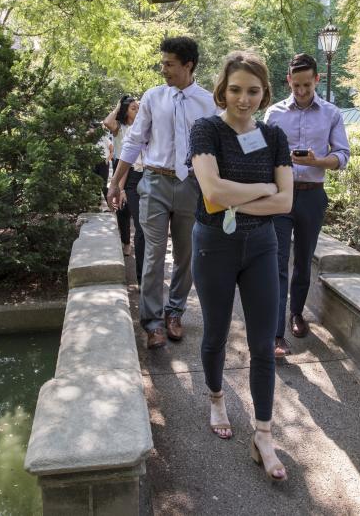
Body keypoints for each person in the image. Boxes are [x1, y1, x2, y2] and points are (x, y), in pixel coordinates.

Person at [189, 50, 293, 481]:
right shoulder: (206, 130)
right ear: (222, 90)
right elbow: (212, 194)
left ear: (264, 93)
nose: (243, 99)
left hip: (262, 246)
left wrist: (243, 192)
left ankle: (263, 436)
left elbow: (286, 201)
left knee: (263, 343)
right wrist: (264, 185)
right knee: (214, 333)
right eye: (235, 90)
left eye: (252, 91)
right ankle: (216, 398)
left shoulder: (274, 137)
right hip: (215, 243)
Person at [107, 37, 218, 349]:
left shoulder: (208, 102)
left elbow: (216, 148)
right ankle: (153, 323)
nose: (163, 69)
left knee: (186, 254)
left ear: (188, 65)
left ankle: (175, 312)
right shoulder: (154, 97)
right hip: (155, 180)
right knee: (154, 254)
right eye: (163, 63)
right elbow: (133, 141)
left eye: (169, 63)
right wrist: (116, 182)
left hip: (192, 185)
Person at [263, 53, 350, 358]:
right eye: (295, 85)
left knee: (303, 261)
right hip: (281, 194)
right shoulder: (273, 114)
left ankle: (296, 313)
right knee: (276, 262)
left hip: (313, 194)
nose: (300, 91)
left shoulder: (332, 113)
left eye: (306, 85)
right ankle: (275, 334)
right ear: (288, 80)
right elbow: (263, 153)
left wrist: (316, 160)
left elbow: (341, 156)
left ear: (317, 80)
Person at [104, 95, 144, 282]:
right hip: (123, 165)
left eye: (138, 107)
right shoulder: (120, 127)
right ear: (126, 111)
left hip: (137, 167)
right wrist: (119, 104)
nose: (137, 110)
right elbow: (107, 121)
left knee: (133, 211)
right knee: (123, 211)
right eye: (133, 108)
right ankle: (126, 242)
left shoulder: (143, 126)